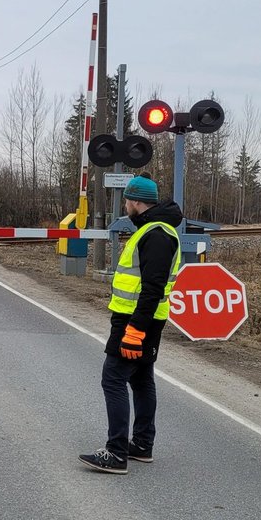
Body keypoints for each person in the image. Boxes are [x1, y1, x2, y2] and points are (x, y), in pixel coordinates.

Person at [79, 174, 182, 474]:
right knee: (140, 379)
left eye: (126, 200)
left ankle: (116, 452)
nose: (125, 204)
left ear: (137, 201)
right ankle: (142, 445)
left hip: (137, 321)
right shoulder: (154, 230)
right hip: (144, 319)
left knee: (113, 378)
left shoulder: (157, 234)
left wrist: (134, 331)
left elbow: (152, 287)